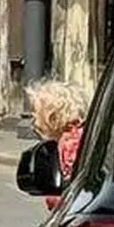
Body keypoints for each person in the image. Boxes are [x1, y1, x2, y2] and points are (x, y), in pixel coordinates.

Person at [25, 78, 91, 209]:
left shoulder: (70, 143)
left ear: (53, 117)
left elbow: (69, 185)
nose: (33, 118)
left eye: (36, 113)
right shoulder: (78, 134)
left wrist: (53, 198)